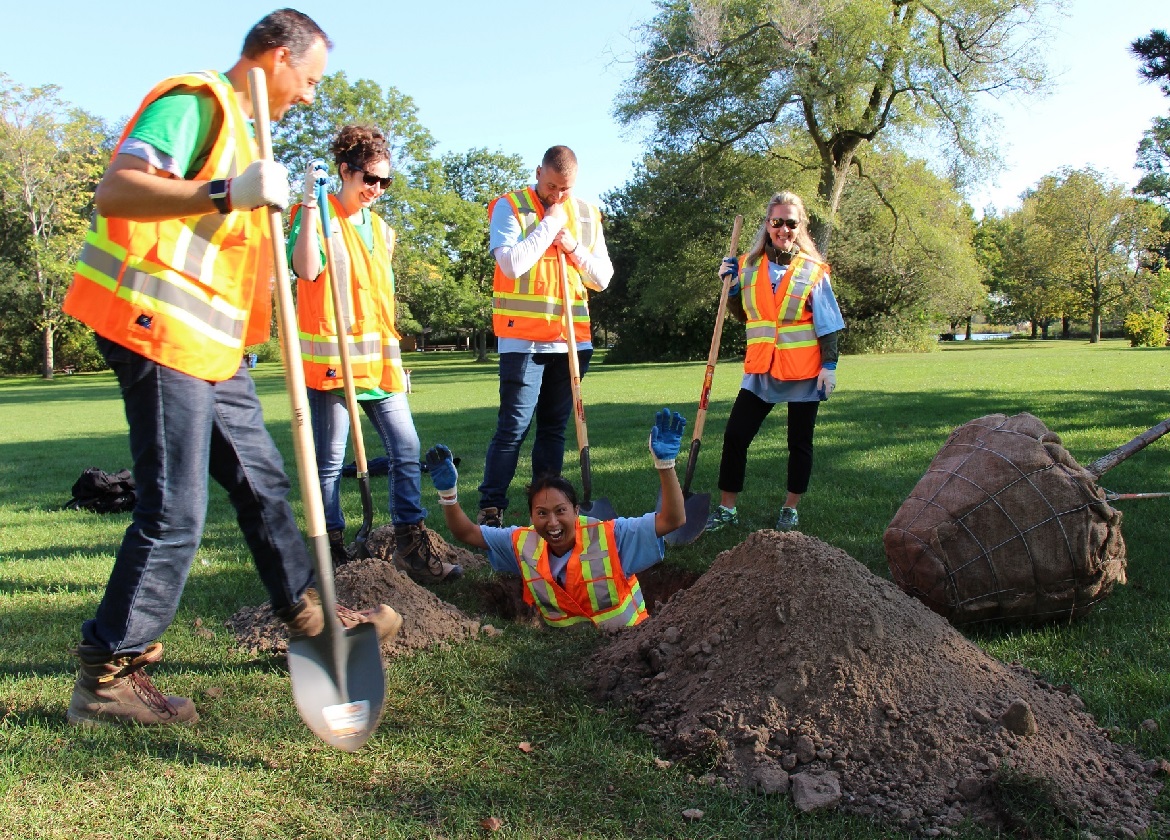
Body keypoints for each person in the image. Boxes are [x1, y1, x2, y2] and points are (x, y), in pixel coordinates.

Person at [60, 9, 400, 729]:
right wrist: (225, 192)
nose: (309, 95)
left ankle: (312, 619)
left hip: (216, 352)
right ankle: (108, 674)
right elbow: (116, 191)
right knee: (176, 511)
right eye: (309, 79)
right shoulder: (198, 104)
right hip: (157, 331)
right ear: (278, 58)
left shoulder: (254, 139)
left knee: (265, 484)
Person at [288, 126, 461, 584]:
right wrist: (307, 205)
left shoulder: (382, 230)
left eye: (386, 182)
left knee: (406, 450)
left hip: (378, 363)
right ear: (344, 171)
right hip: (331, 364)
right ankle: (331, 551)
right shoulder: (315, 215)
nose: (377, 191)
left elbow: (380, 303)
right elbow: (305, 270)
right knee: (328, 462)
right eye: (370, 179)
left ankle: (410, 545)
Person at [428, 409, 687, 629]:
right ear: (531, 516)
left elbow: (673, 519)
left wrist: (665, 465)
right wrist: (448, 496)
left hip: (631, 643)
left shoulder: (612, 535)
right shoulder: (522, 543)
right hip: (566, 655)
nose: (552, 523)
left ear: (576, 511)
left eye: (560, 511)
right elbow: (467, 533)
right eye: (542, 513)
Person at [476, 146, 614, 528]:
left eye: (565, 189)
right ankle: (491, 507)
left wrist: (571, 246)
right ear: (538, 172)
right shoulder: (510, 207)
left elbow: (601, 278)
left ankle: (547, 508)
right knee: (513, 427)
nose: (558, 195)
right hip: (524, 342)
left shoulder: (586, 214)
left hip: (572, 342)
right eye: (551, 186)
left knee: (554, 429)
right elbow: (511, 263)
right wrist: (549, 225)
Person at [704, 191, 845, 534]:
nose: (784, 229)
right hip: (761, 368)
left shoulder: (813, 271)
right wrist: (732, 288)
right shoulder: (748, 266)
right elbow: (742, 314)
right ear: (767, 225)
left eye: (791, 223)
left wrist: (830, 366)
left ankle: (790, 508)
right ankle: (727, 508)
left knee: (799, 442)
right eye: (777, 222)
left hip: (803, 370)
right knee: (736, 435)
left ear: (801, 227)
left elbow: (828, 324)